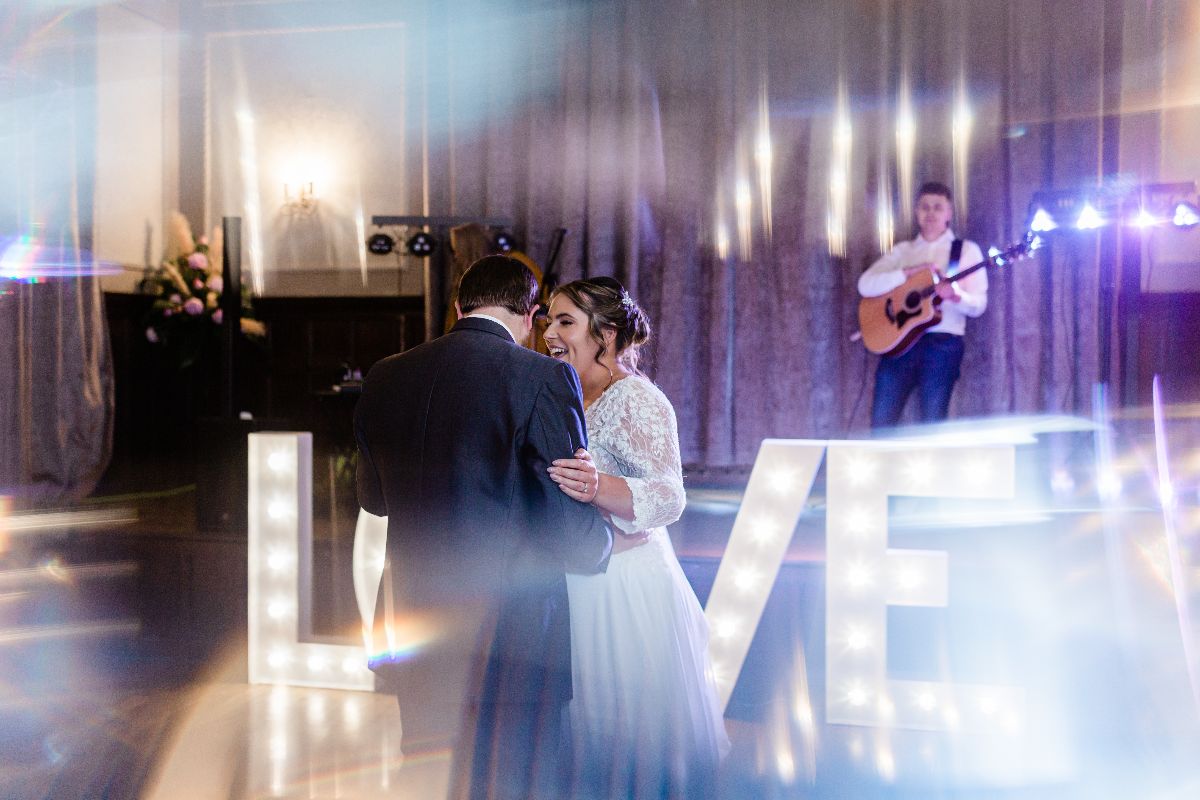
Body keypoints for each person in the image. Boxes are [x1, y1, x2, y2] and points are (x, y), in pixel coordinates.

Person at [354, 255, 622, 800]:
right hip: (511, 631)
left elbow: (373, 499)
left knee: (428, 773)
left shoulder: (385, 374)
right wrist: (601, 544)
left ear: (458, 307)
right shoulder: (543, 376)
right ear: (529, 315)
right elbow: (565, 510)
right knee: (515, 776)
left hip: (414, 618)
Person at [544, 277, 731, 799]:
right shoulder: (564, 393)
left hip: (625, 586)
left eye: (565, 322)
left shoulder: (638, 399)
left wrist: (597, 487)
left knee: (636, 747)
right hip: (574, 583)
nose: (549, 334)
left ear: (605, 334)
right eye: (548, 321)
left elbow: (669, 497)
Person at [858, 181, 988, 428]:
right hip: (899, 344)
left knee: (932, 424)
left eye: (938, 207)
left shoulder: (965, 250)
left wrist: (956, 296)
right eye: (924, 207)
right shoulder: (903, 251)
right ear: (916, 213)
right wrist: (907, 273)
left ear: (949, 213)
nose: (930, 213)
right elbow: (865, 285)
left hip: (942, 345)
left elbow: (979, 304)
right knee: (881, 424)